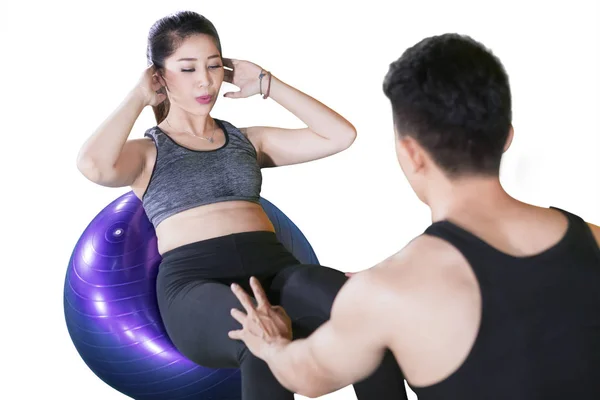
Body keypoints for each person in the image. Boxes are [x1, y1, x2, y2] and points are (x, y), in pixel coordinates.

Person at [228, 33, 600, 399]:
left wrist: (271, 343)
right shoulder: (592, 238)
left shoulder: (386, 293)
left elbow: (307, 376)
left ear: (412, 153)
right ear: (506, 136)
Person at [76, 10, 408, 400]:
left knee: (364, 317)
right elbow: (93, 165)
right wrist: (137, 95)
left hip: (275, 269)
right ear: (159, 76)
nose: (205, 80)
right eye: (187, 69)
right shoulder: (148, 153)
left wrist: (268, 83)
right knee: (261, 342)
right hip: (197, 284)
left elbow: (340, 135)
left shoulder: (248, 141)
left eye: (214, 65)